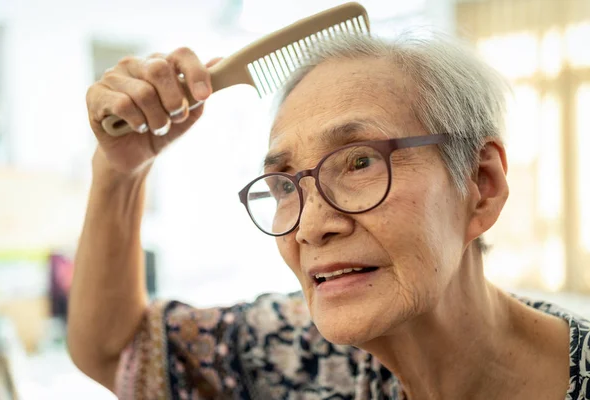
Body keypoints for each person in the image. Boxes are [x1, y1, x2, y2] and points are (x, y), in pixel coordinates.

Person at [67, 32, 590, 400]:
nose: (312, 225)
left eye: (360, 161)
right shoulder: (302, 353)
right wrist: (120, 171)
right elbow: (118, 352)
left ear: (482, 185)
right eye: (283, 183)